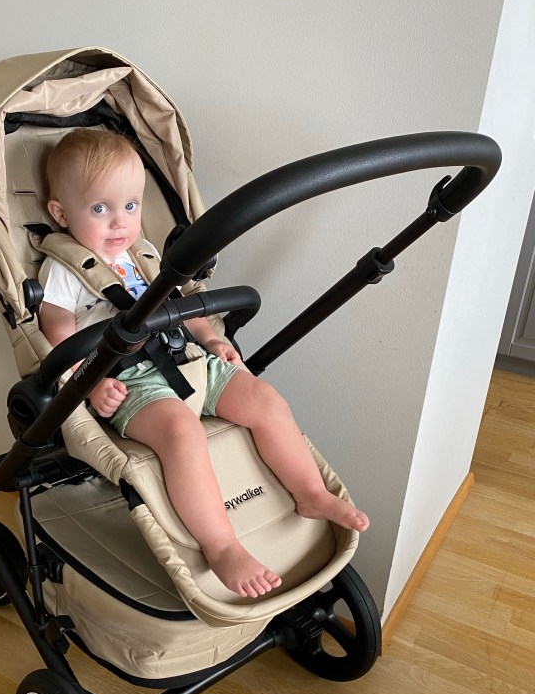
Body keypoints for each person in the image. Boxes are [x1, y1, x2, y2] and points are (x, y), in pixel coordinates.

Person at [38, 129, 369, 599]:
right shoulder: (63, 270)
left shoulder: (144, 255)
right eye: (99, 209)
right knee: (183, 434)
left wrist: (213, 339)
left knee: (265, 400)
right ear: (60, 213)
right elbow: (58, 335)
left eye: (130, 206)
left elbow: (183, 307)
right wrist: (87, 384)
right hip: (131, 381)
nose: (119, 221)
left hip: (189, 359)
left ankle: (311, 493)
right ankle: (221, 545)